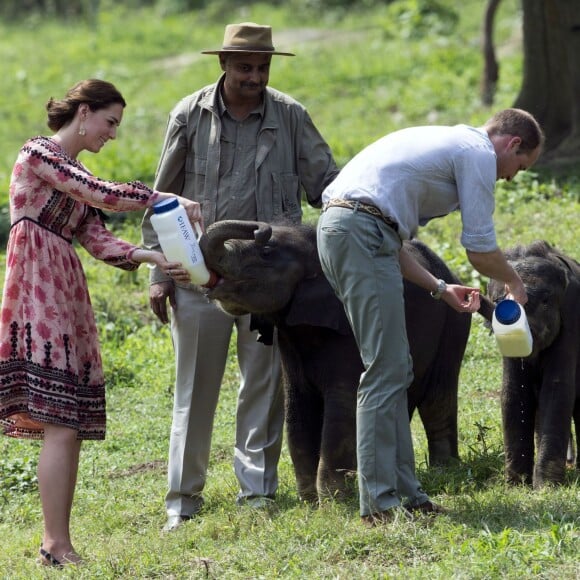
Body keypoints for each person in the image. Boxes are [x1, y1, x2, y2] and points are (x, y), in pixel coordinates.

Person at [141, 22, 339, 532]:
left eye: (263, 67)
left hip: (271, 281)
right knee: (195, 389)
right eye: (246, 67)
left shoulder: (291, 115)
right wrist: (158, 277)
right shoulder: (189, 113)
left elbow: (325, 184)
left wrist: (364, 201)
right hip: (198, 274)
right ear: (224, 64)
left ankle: (257, 493)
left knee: (265, 387)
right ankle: (182, 502)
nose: (255, 76)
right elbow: (160, 197)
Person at [0, 79, 201, 566]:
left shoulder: (74, 172)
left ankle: (58, 545)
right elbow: (98, 194)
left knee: (65, 423)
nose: (112, 133)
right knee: (58, 421)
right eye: (110, 121)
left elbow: (98, 238)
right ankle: (55, 544)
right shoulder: (39, 155)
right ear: (84, 112)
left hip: (62, 283)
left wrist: (152, 254)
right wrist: (157, 197)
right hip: (37, 285)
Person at [316, 108, 544, 526]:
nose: (511, 177)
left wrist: (439, 287)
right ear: (512, 144)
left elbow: (389, 235)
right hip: (356, 232)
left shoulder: (449, 145)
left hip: (354, 231)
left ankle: (407, 494)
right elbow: (478, 247)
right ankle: (379, 504)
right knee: (385, 370)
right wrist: (514, 281)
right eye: (520, 167)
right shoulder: (476, 151)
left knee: (396, 368)